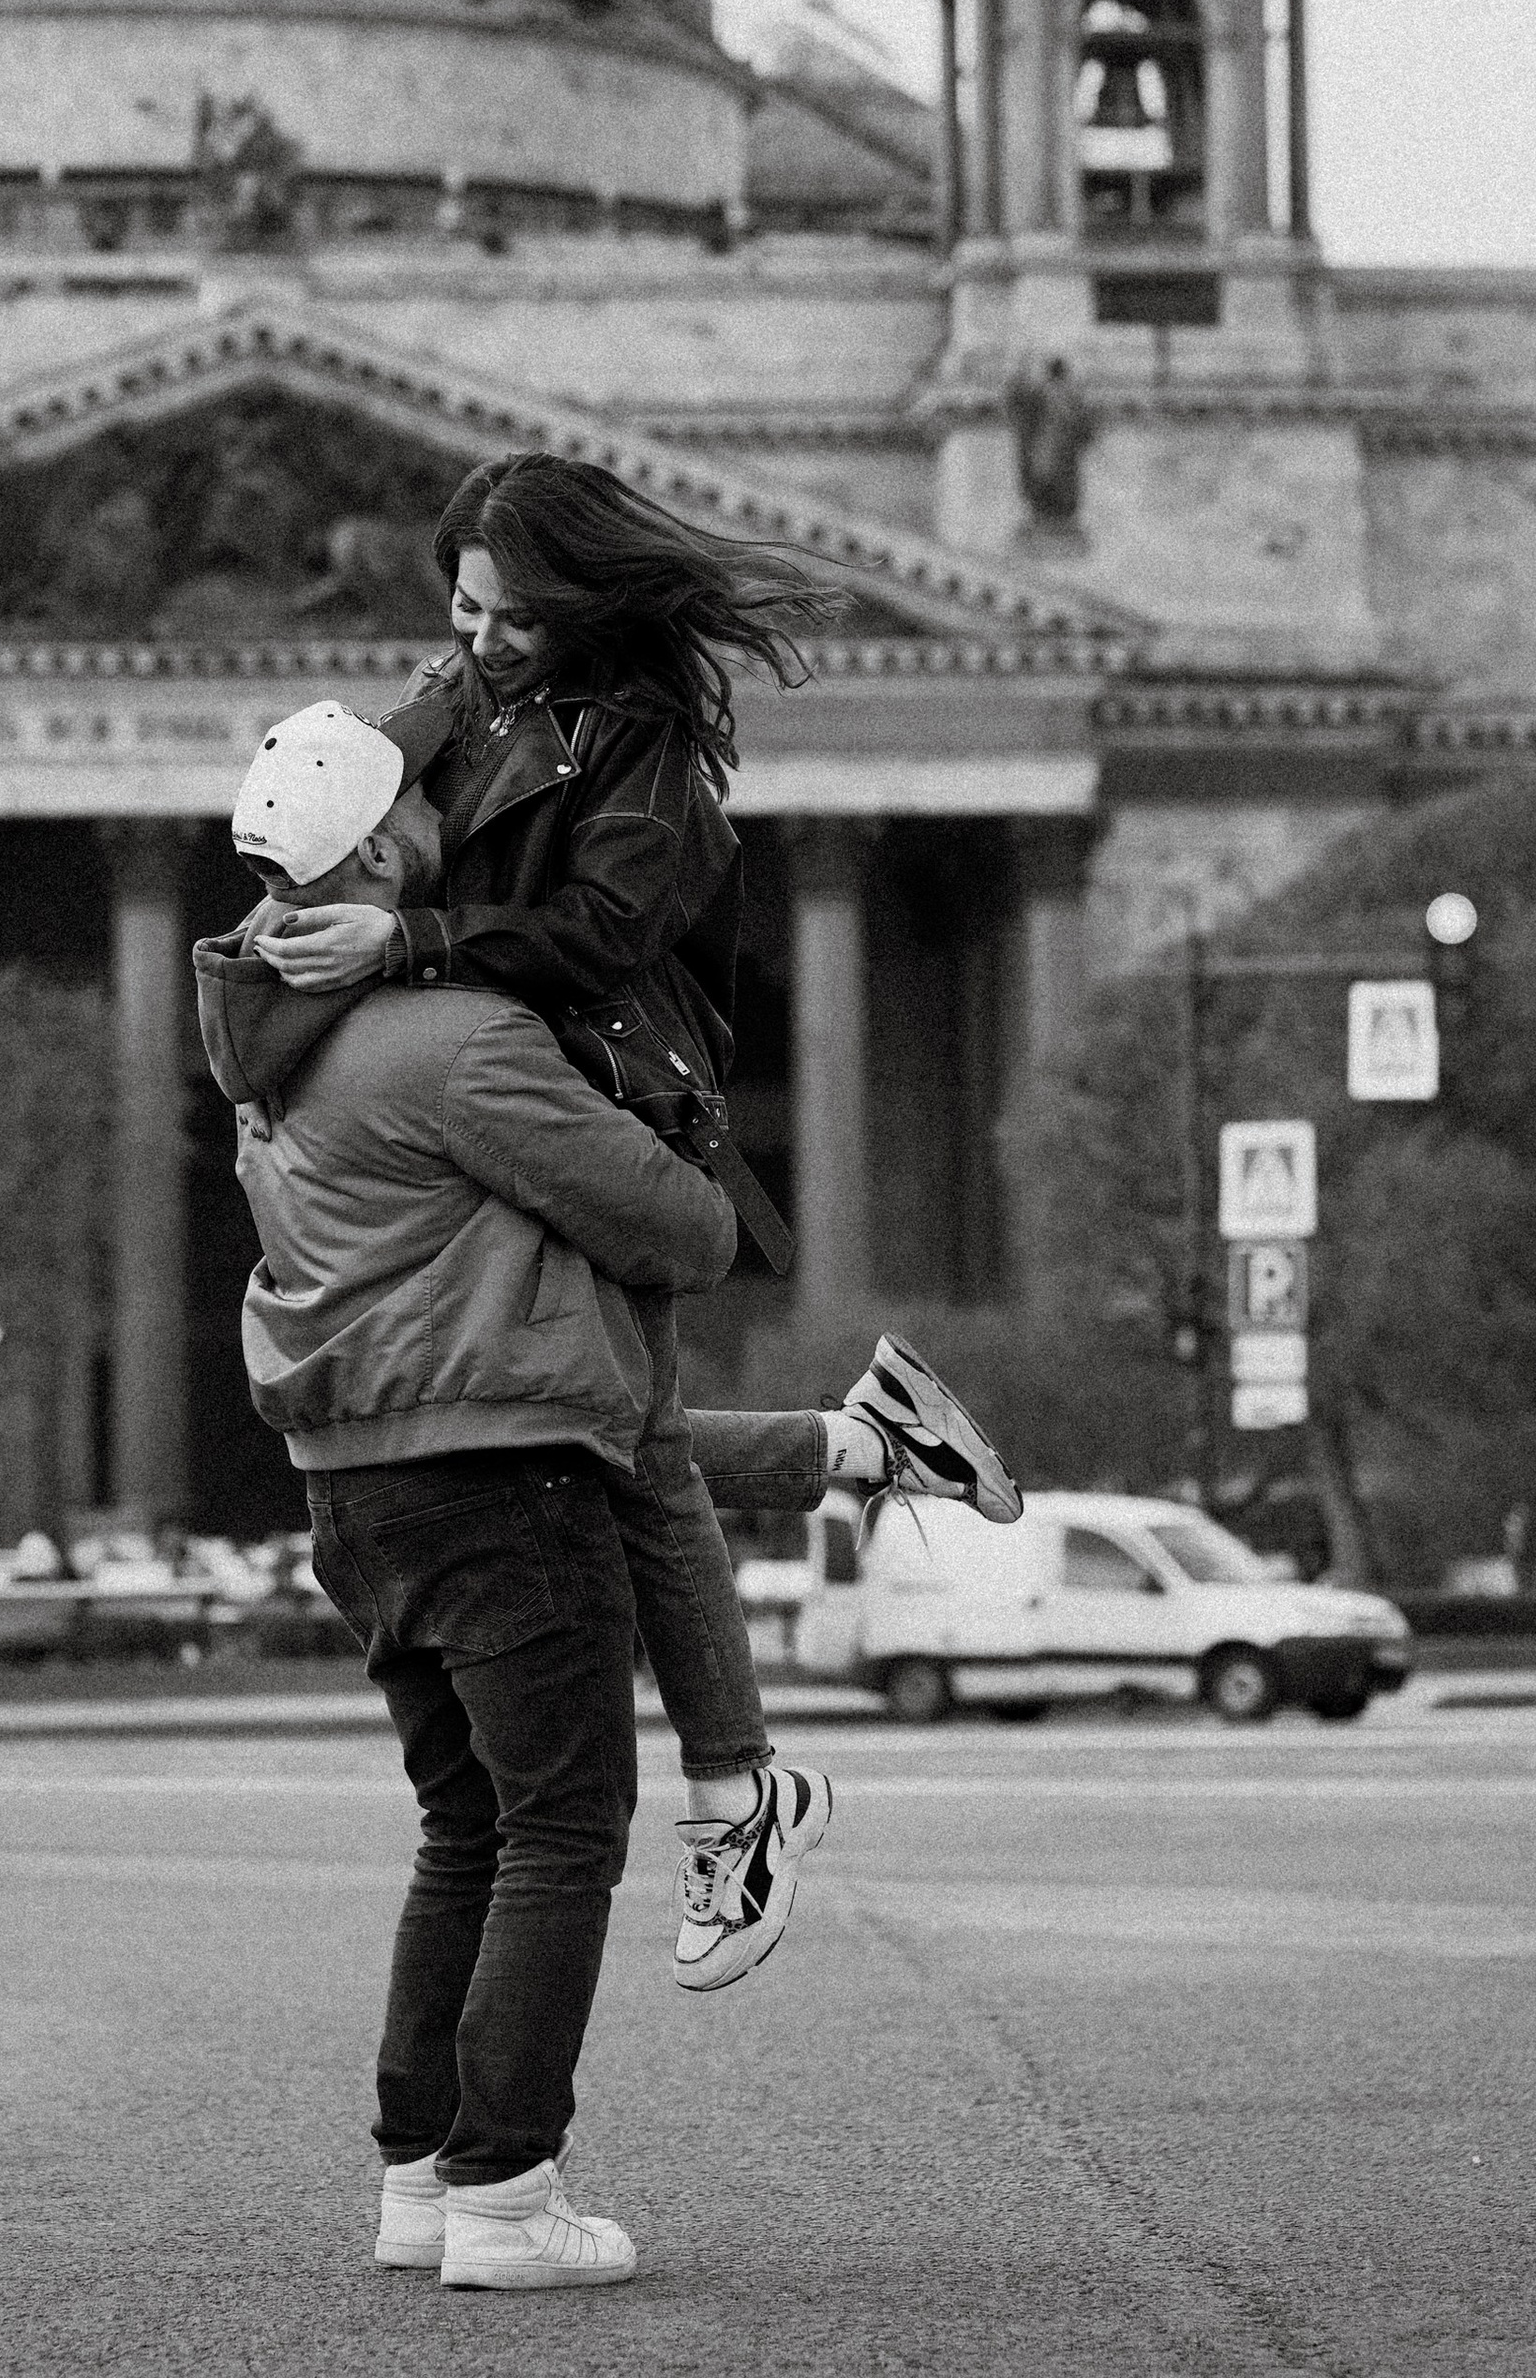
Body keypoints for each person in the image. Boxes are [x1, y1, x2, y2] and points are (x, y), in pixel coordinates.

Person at [247, 456, 1023, 1991]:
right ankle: (867, 1456)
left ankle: (744, 1795)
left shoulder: (653, 745)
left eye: (510, 617)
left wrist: (405, 937)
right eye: (460, 610)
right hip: (495, 1056)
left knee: (636, 1441)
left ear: (584, 607)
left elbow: (604, 935)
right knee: (613, 1419)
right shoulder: (463, 682)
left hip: (613, 1084)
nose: (475, 642)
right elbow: (371, 782)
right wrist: (294, 861)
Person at [195, 703, 739, 2290]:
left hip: (358, 1493)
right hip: (503, 1474)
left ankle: (422, 2177)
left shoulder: (268, 1054)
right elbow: (685, 1233)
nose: (449, 819)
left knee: (468, 1828)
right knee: (565, 1826)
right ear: (372, 853)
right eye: (421, 807)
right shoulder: (454, 1043)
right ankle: (507, 2192)